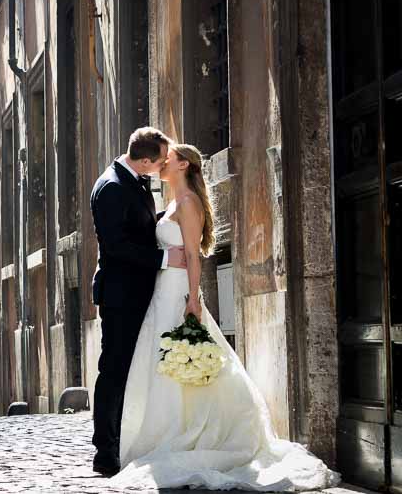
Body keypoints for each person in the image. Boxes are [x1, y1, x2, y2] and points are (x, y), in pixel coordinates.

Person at [109, 143, 339, 491]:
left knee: (185, 360)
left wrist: (193, 299)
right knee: (165, 365)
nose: (161, 162)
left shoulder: (188, 204)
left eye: (167, 158)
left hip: (179, 293)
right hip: (163, 291)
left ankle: (197, 434)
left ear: (183, 164)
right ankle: (165, 431)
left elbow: (193, 255)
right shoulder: (172, 202)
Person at [89, 127, 187, 476]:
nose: (163, 166)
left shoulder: (134, 179)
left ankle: (127, 441)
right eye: (160, 161)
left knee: (130, 370)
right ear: (145, 161)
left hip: (140, 291)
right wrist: (164, 260)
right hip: (120, 294)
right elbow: (115, 246)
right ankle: (105, 452)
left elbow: (139, 230)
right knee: (114, 371)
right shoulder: (112, 187)